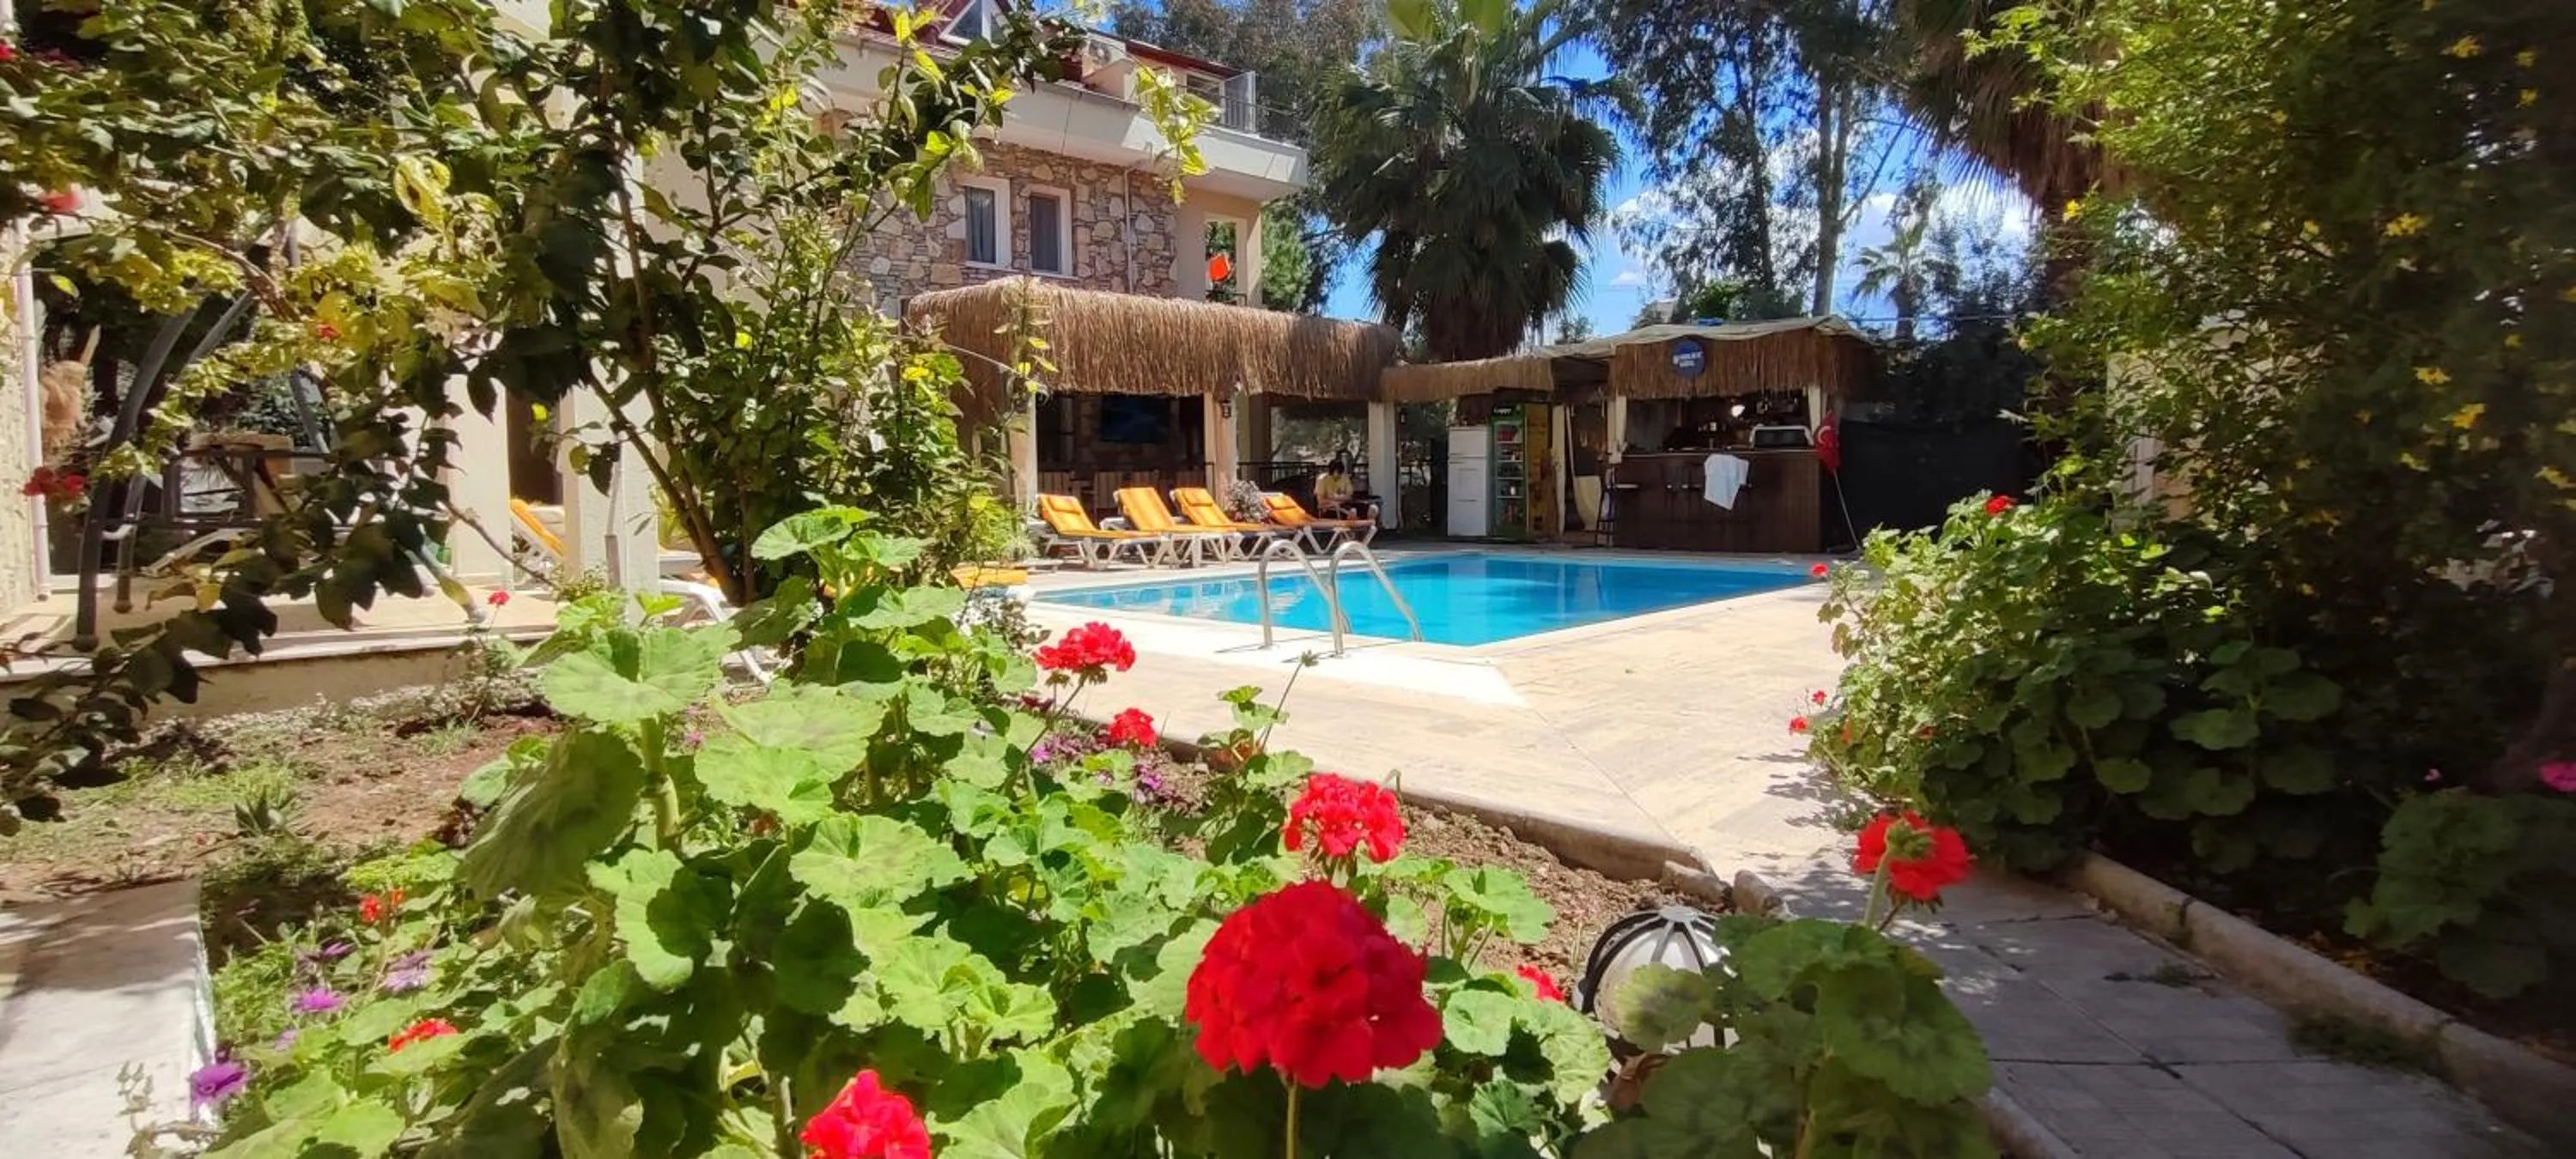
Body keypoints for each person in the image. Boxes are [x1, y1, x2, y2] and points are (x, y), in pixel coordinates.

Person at [1314, 455, 1377, 522]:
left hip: (1346, 504)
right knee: (1353, 512)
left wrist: (1337, 497)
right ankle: (1353, 531)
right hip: (1331, 509)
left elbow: (1349, 496)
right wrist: (1334, 502)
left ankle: (1367, 528)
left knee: (1373, 508)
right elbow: (1320, 501)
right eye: (1335, 473)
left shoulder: (1344, 478)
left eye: (1339, 473)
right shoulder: (1323, 480)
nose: (1337, 476)